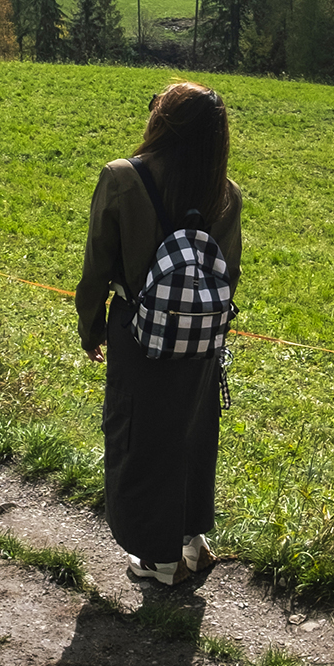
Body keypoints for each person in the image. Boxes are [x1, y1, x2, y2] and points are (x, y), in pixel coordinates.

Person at [76, 82, 243, 591]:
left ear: (163, 123)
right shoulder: (226, 193)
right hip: (201, 337)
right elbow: (228, 272)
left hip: (138, 331)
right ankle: (192, 541)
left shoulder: (123, 177)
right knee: (193, 433)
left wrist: (91, 326)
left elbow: (97, 266)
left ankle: (157, 559)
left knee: (139, 438)